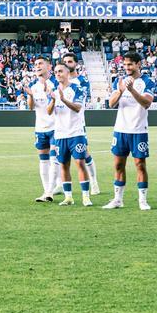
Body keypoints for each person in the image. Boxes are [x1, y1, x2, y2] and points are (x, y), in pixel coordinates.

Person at [102, 52, 155, 210]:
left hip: (138, 130)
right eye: (124, 65)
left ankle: (142, 200)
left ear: (139, 64)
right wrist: (120, 90)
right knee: (118, 165)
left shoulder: (147, 82)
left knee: (140, 164)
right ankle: (118, 199)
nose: (127, 67)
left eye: (130, 64)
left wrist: (131, 90)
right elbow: (111, 104)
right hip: (120, 129)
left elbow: (146, 103)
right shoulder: (119, 81)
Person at [47, 62, 93, 207]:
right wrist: (54, 99)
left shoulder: (77, 88)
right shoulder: (54, 91)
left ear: (67, 73)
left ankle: (86, 196)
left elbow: (77, 108)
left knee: (80, 162)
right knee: (63, 165)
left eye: (60, 71)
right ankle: (68, 197)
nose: (58, 74)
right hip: (60, 134)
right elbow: (49, 112)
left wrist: (64, 99)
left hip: (76, 132)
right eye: (55, 72)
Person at [62, 53, 99, 195]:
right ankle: (60, 184)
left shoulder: (82, 81)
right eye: (64, 62)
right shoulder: (59, 80)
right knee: (59, 156)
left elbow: (79, 103)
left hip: (77, 123)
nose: (67, 64)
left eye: (70, 61)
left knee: (84, 154)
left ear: (76, 64)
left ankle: (94, 182)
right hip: (61, 124)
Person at [23, 57, 56, 202]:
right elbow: (31, 107)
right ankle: (46, 191)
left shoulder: (55, 83)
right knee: (43, 160)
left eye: (40, 63)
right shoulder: (33, 85)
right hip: (40, 128)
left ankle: (50, 192)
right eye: (35, 64)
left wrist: (50, 94)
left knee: (54, 159)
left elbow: (52, 108)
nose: (37, 66)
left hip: (56, 127)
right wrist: (30, 96)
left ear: (49, 67)